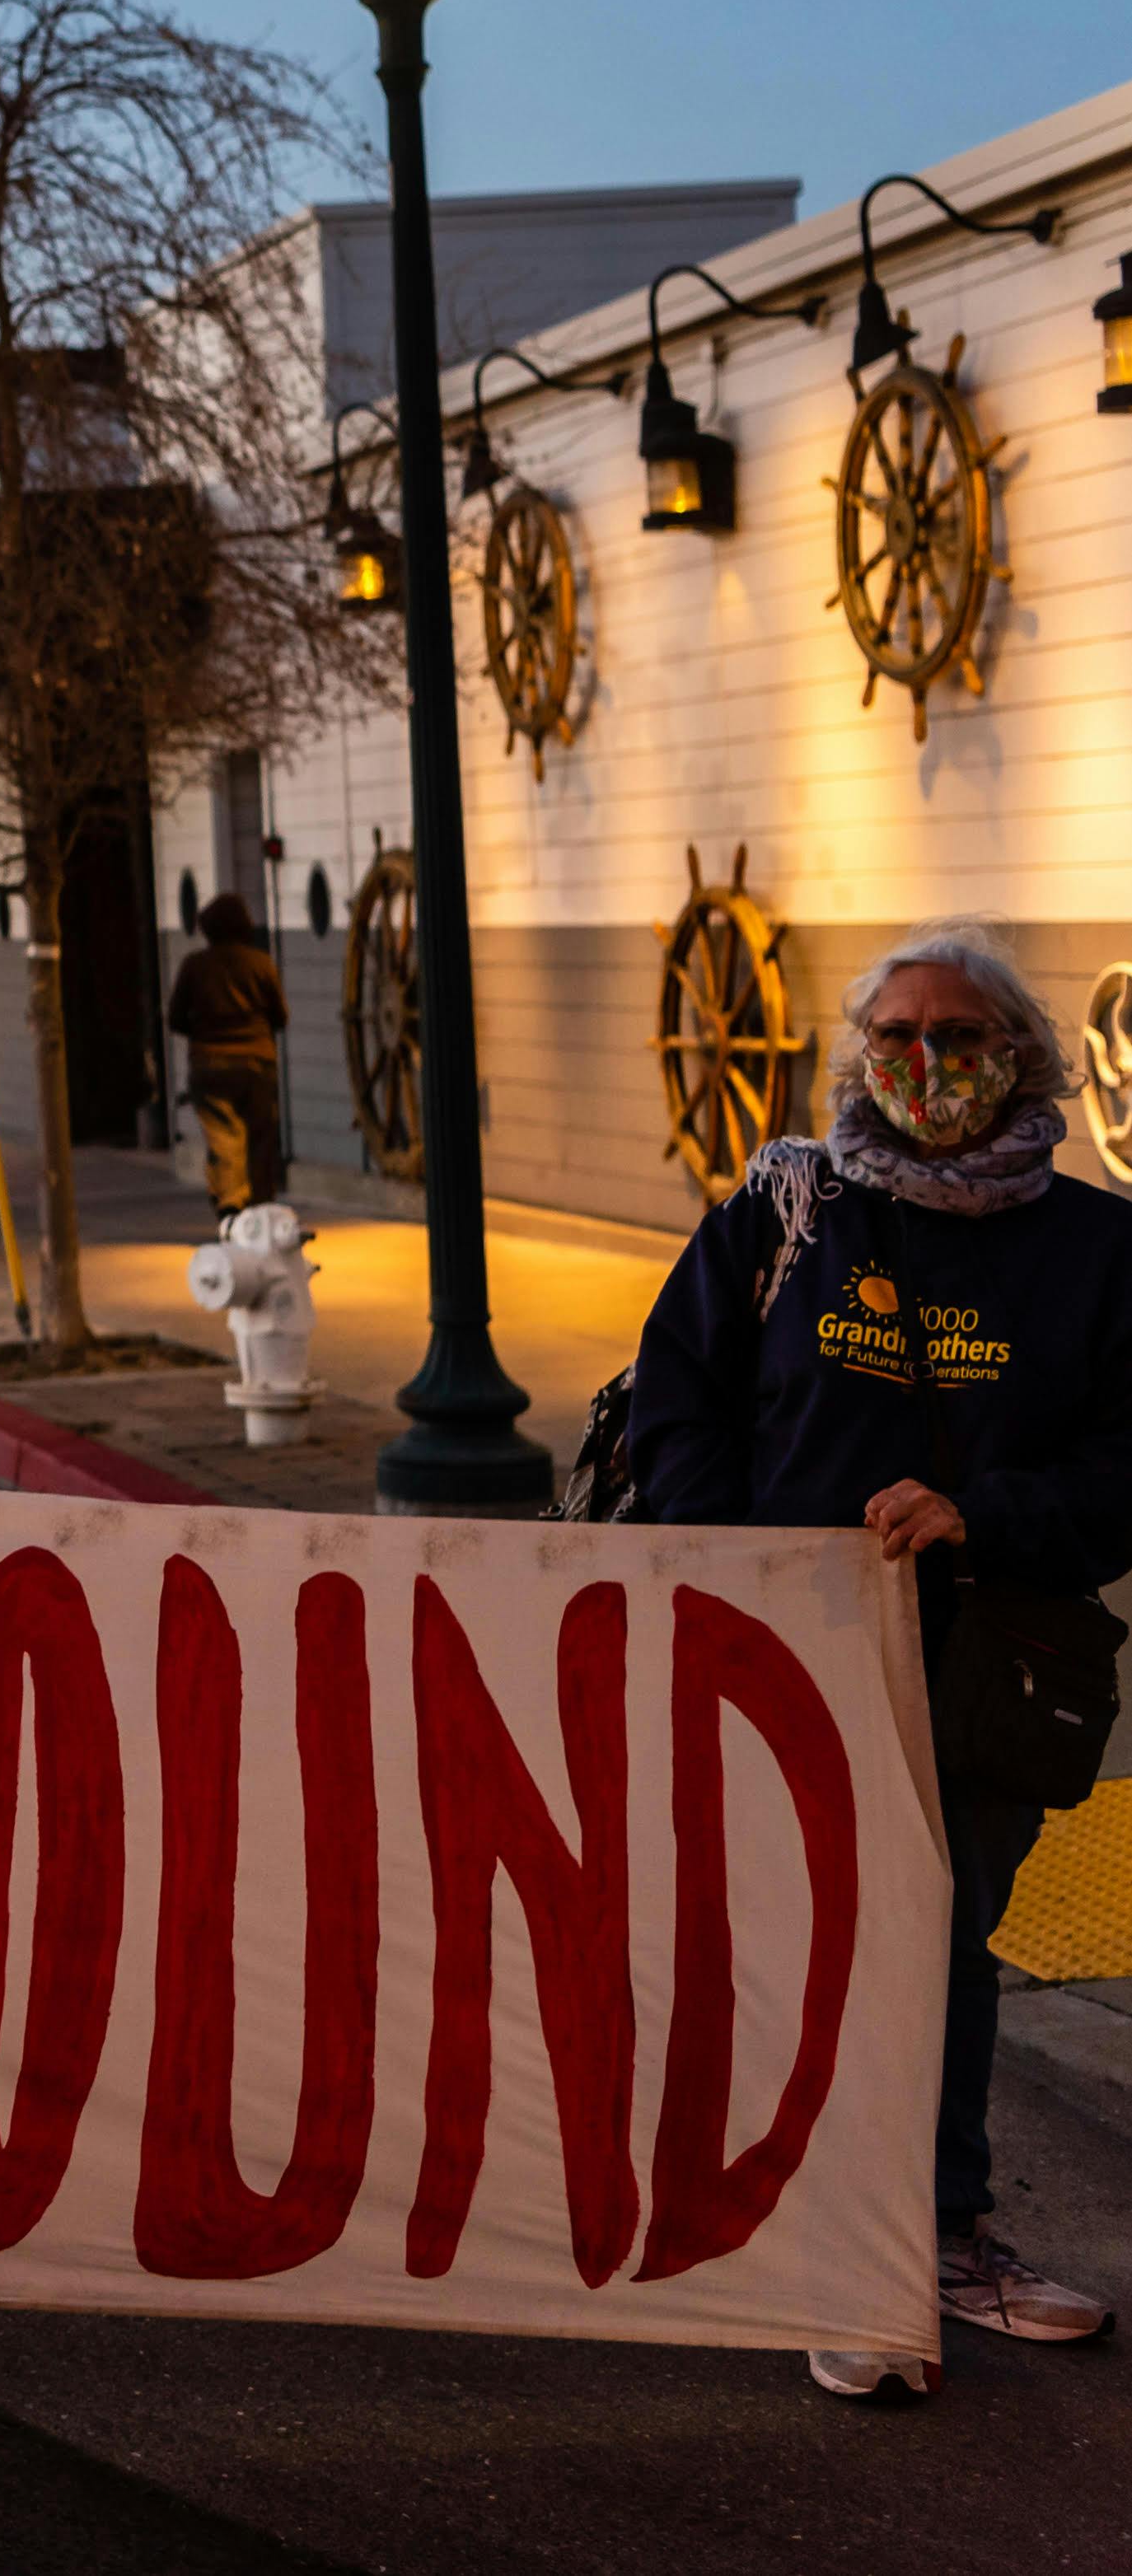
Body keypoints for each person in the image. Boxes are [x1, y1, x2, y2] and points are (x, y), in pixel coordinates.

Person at [624, 928, 1132, 2398]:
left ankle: (934, 2231)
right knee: (800, 1937)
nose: (926, 1064)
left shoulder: (1098, 1250)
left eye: (959, 1035)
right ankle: (825, 2239)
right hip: (788, 1648)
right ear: (858, 1056)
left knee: (937, 1938)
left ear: (1022, 1053)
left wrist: (990, 1511)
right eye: (895, 1036)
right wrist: (735, 1561)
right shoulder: (788, 1209)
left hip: (986, 1660)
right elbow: (678, 1395)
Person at [167, 894, 292, 1215]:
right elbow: (281, 1016)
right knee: (260, 1137)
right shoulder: (261, 963)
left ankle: (231, 1202)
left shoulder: (194, 966)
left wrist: (204, 1031)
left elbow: (175, 1018)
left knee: (225, 1136)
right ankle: (264, 1205)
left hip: (209, 1063)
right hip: (257, 1061)